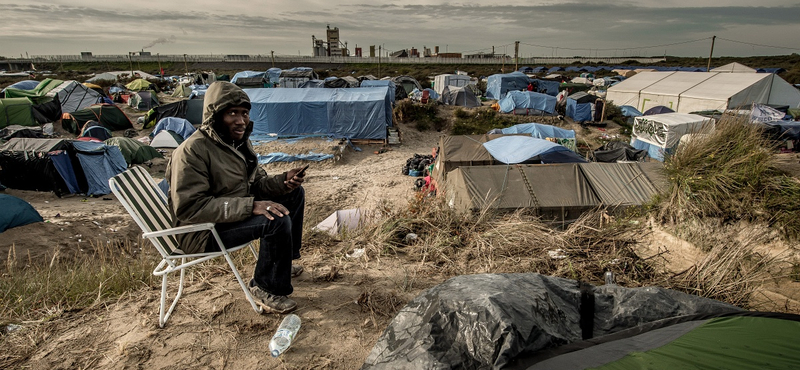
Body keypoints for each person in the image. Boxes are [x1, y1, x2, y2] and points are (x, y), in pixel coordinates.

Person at [165, 81, 306, 313]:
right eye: (232, 113)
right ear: (215, 115)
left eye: (244, 113)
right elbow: (190, 208)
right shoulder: (192, 151)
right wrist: (251, 207)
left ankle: (282, 263)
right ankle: (265, 287)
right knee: (275, 219)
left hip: (228, 216)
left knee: (294, 194)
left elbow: (257, 184)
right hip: (201, 231)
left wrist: (284, 181)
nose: (241, 120)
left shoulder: (237, 144)